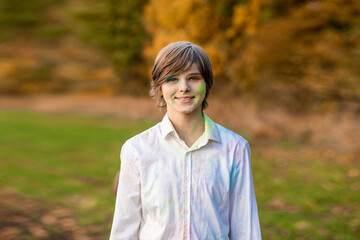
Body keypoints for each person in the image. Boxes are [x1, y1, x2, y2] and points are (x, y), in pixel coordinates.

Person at [110, 41, 262, 239]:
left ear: (206, 83)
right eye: (172, 79)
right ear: (160, 87)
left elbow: (246, 229)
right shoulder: (136, 150)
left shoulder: (235, 148)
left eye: (193, 77)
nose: (184, 87)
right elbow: (125, 230)